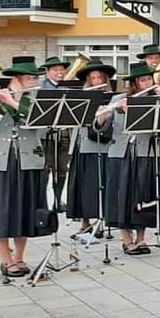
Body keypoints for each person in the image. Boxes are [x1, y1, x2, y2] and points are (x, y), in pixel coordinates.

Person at [0, 59, 51, 279]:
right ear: (17, 79)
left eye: (35, 78)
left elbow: (40, 124)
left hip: (28, 161)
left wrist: (14, 103)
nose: (34, 82)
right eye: (30, 78)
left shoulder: (36, 100)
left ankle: (20, 257)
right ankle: (6, 260)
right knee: (1, 212)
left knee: (24, 210)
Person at [98, 63, 160, 256]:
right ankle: (126, 239)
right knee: (121, 196)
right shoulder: (118, 99)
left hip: (145, 153)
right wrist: (103, 116)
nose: (148, 83)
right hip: (120, 153)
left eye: (149, 79)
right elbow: (100, 128)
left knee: (143, 196)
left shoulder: (156, 100)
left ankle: (141, 238)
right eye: (143, 80)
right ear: (135, 83)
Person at [67, 62, 116, 240]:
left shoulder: (111, 98)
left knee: (97, 185)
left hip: (100, 147)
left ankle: (100, 221)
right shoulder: (82, 97)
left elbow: (111, 121)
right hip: (81, 145)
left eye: (99, 78)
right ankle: (85, 223)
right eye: (93, 78)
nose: (96, 81)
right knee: (81, 186)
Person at [38, 56, 72, 211]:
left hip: (63, 133)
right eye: (55, 69)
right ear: (47, 72)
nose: (60, 72)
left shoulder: (67, 87)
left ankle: (58, 201)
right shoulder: (41, 87)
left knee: (62, 168)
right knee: (46, 168)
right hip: (46, 135)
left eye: (62, 69)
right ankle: (43, 202)